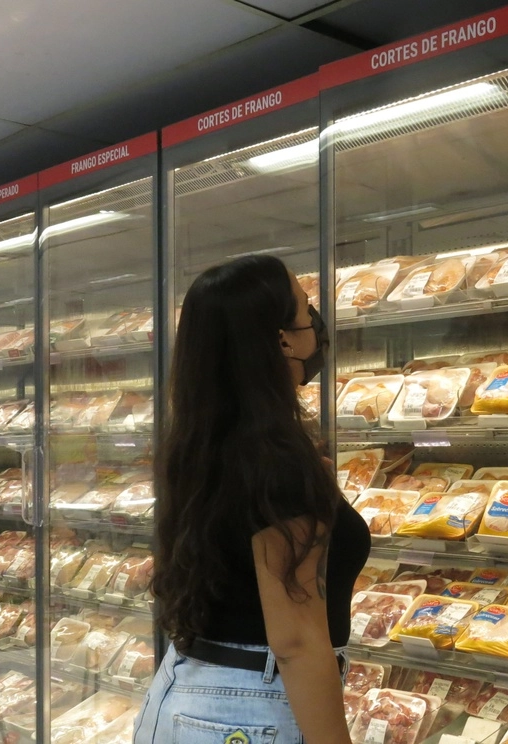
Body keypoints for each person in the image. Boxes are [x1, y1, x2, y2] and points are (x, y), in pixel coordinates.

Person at [135, 255, 367, 744]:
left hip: (184, 690)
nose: (314, 323)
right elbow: (296, 641)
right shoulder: (275, 462)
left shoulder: (202, 444)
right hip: (249, 710)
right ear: (281, 338)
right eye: (306, 309)